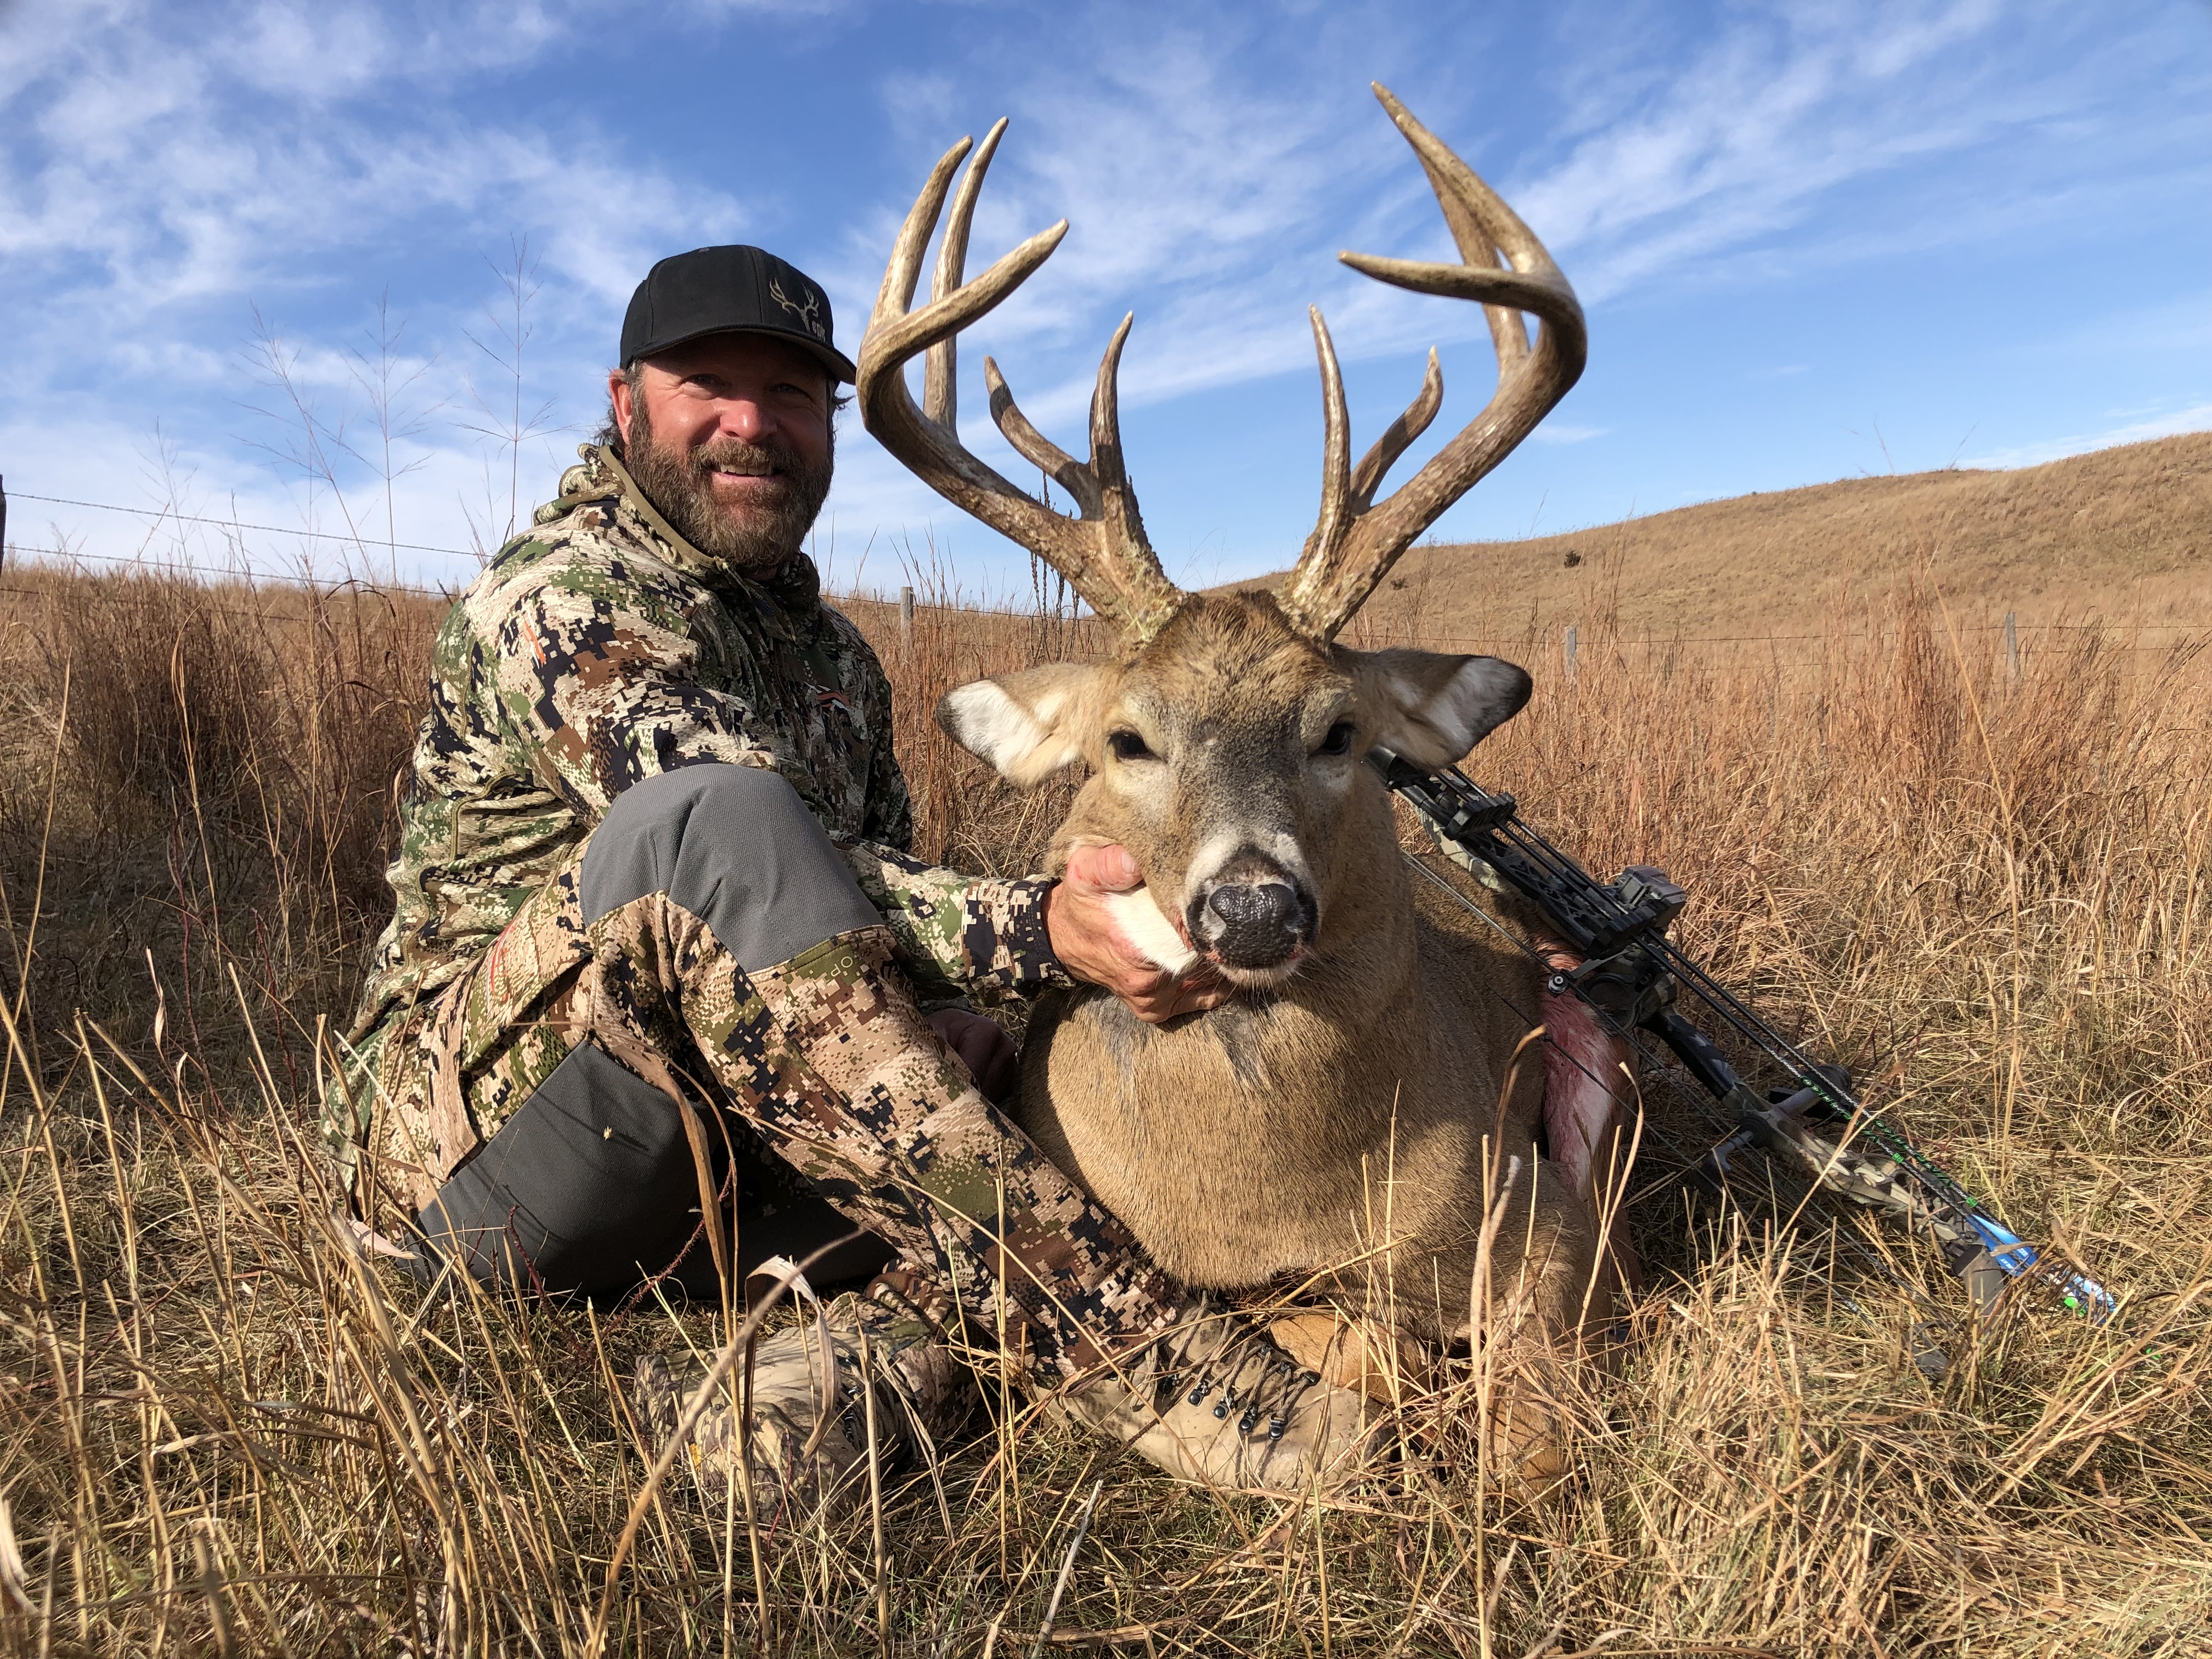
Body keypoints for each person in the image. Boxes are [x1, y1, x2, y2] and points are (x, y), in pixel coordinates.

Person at [322, 244, 1376, 1509]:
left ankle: (810, 1400)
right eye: (707, 384)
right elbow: (731, 868)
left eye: (790, 394)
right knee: (722, 820)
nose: (751, 423)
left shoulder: (834, 661)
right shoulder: (558, 604)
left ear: (829, 426)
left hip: (727, 1148)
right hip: (479, 1155)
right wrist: (1041, 927)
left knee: (994, 1065)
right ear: (624, 404)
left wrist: (968, 1011)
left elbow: (867, 912)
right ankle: (1145, 1355)